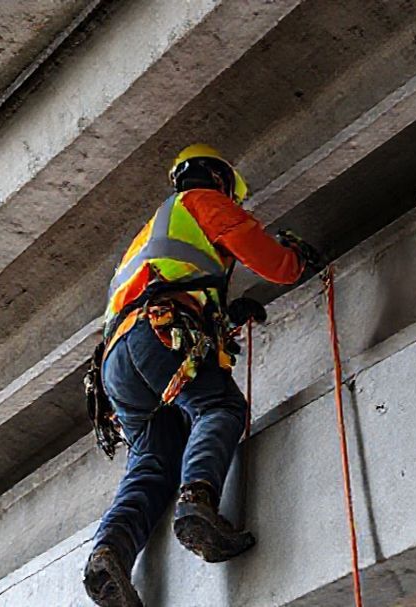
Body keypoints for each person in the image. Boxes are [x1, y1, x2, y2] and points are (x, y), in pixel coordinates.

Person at [82, 144, 323, 606]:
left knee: (153, 461)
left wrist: (227, 314)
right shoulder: (197, 201)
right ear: (218, 180)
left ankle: (109, 552)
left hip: (118, 365)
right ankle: (197, 502)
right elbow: (267, 258)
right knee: (218, 406)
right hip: (159, 332)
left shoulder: (147, 236)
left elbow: (171, 282)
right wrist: (295, 260)